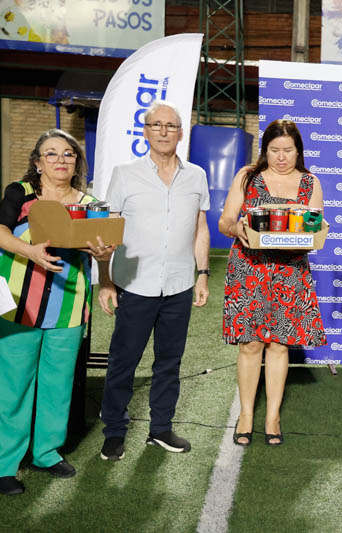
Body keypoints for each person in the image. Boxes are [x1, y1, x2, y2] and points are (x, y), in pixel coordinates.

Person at [0, 129, 114, 495]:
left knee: (57, 384)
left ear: (77, 162)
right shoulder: (20, 193)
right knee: (13, 386)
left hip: (67, 304)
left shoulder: (91, 203)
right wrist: (28, 250)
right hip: (18, 303)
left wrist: (105, 267)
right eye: (51, 154)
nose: (60, 160)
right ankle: (4, 463)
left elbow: (103, 250)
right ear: (37, 162)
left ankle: (46, 452)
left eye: (68, 154)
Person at [97, 101, 210, 460]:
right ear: (145, 131)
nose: (164, 131)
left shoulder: (196, 176)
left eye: (171, 126)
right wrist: (106, 280)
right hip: (135, 284)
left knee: (169, 362)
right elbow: (107, 231)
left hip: (178, 285)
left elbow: (200, 228)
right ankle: (114, 430)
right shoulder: (125, 174)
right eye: (157, 125)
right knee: (123, 361)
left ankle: (160, 429)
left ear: (180, 133)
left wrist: (203, 274)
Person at [219, 119, 326, 447]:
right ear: (265, 150)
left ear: (298, 151)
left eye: (288, 150)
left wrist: (310, 236)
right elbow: (225, 221)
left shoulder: (310, 182)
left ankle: (272, 416)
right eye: (274, 150)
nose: (281, 157)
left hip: (290, 272)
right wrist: (239, 230)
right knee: (250, 344)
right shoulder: (247, 176)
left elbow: (315, 227)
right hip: (249, 270)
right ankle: (247, 414)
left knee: (279, 344)